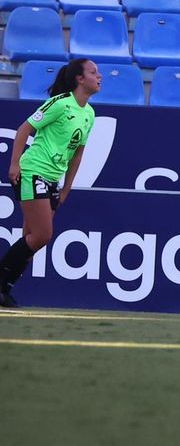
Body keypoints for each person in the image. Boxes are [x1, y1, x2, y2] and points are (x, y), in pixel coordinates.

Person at [0, 59, 102, 307]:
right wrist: (15, 164)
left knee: (30, 237)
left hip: (54, 179)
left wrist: (66, 188)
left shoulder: (89, 114)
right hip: (33, 170)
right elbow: (24, 129)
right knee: (43, 235)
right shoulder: (60, 104)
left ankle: (5, 288)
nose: (100, 76)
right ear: (79, 79)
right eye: (93, 72)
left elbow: (78, 154)